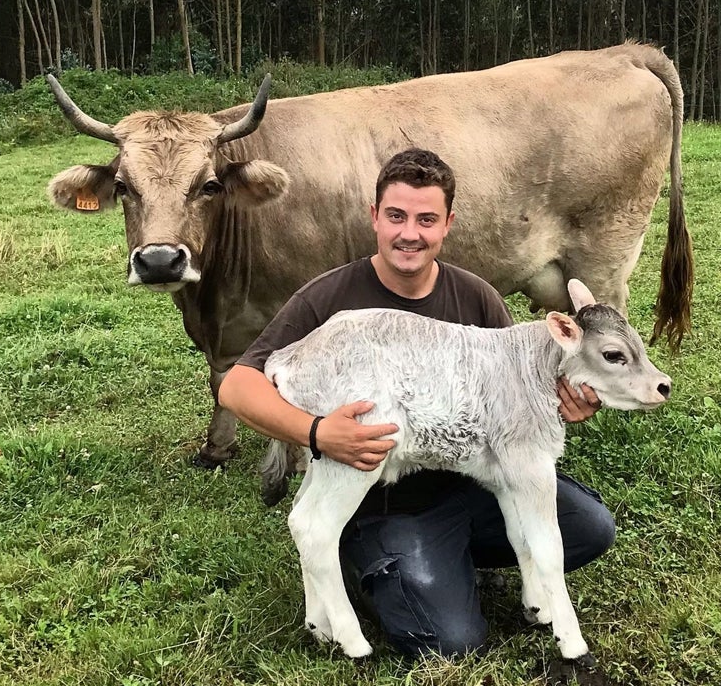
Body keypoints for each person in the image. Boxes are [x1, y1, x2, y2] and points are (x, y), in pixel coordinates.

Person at [217, 148, 614, 659]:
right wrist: (316, 432)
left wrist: (566, 401)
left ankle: (453, 562)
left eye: (426, 219)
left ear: (447, 224)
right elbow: (238, 385)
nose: (410, 233)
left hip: (471, 478)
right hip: (388, 501)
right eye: (396, 216)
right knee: (452, 640)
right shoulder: (328, 298)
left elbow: (518, 391)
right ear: (374, 218)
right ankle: (386, 560)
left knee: (589, 527)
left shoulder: (475, 297)